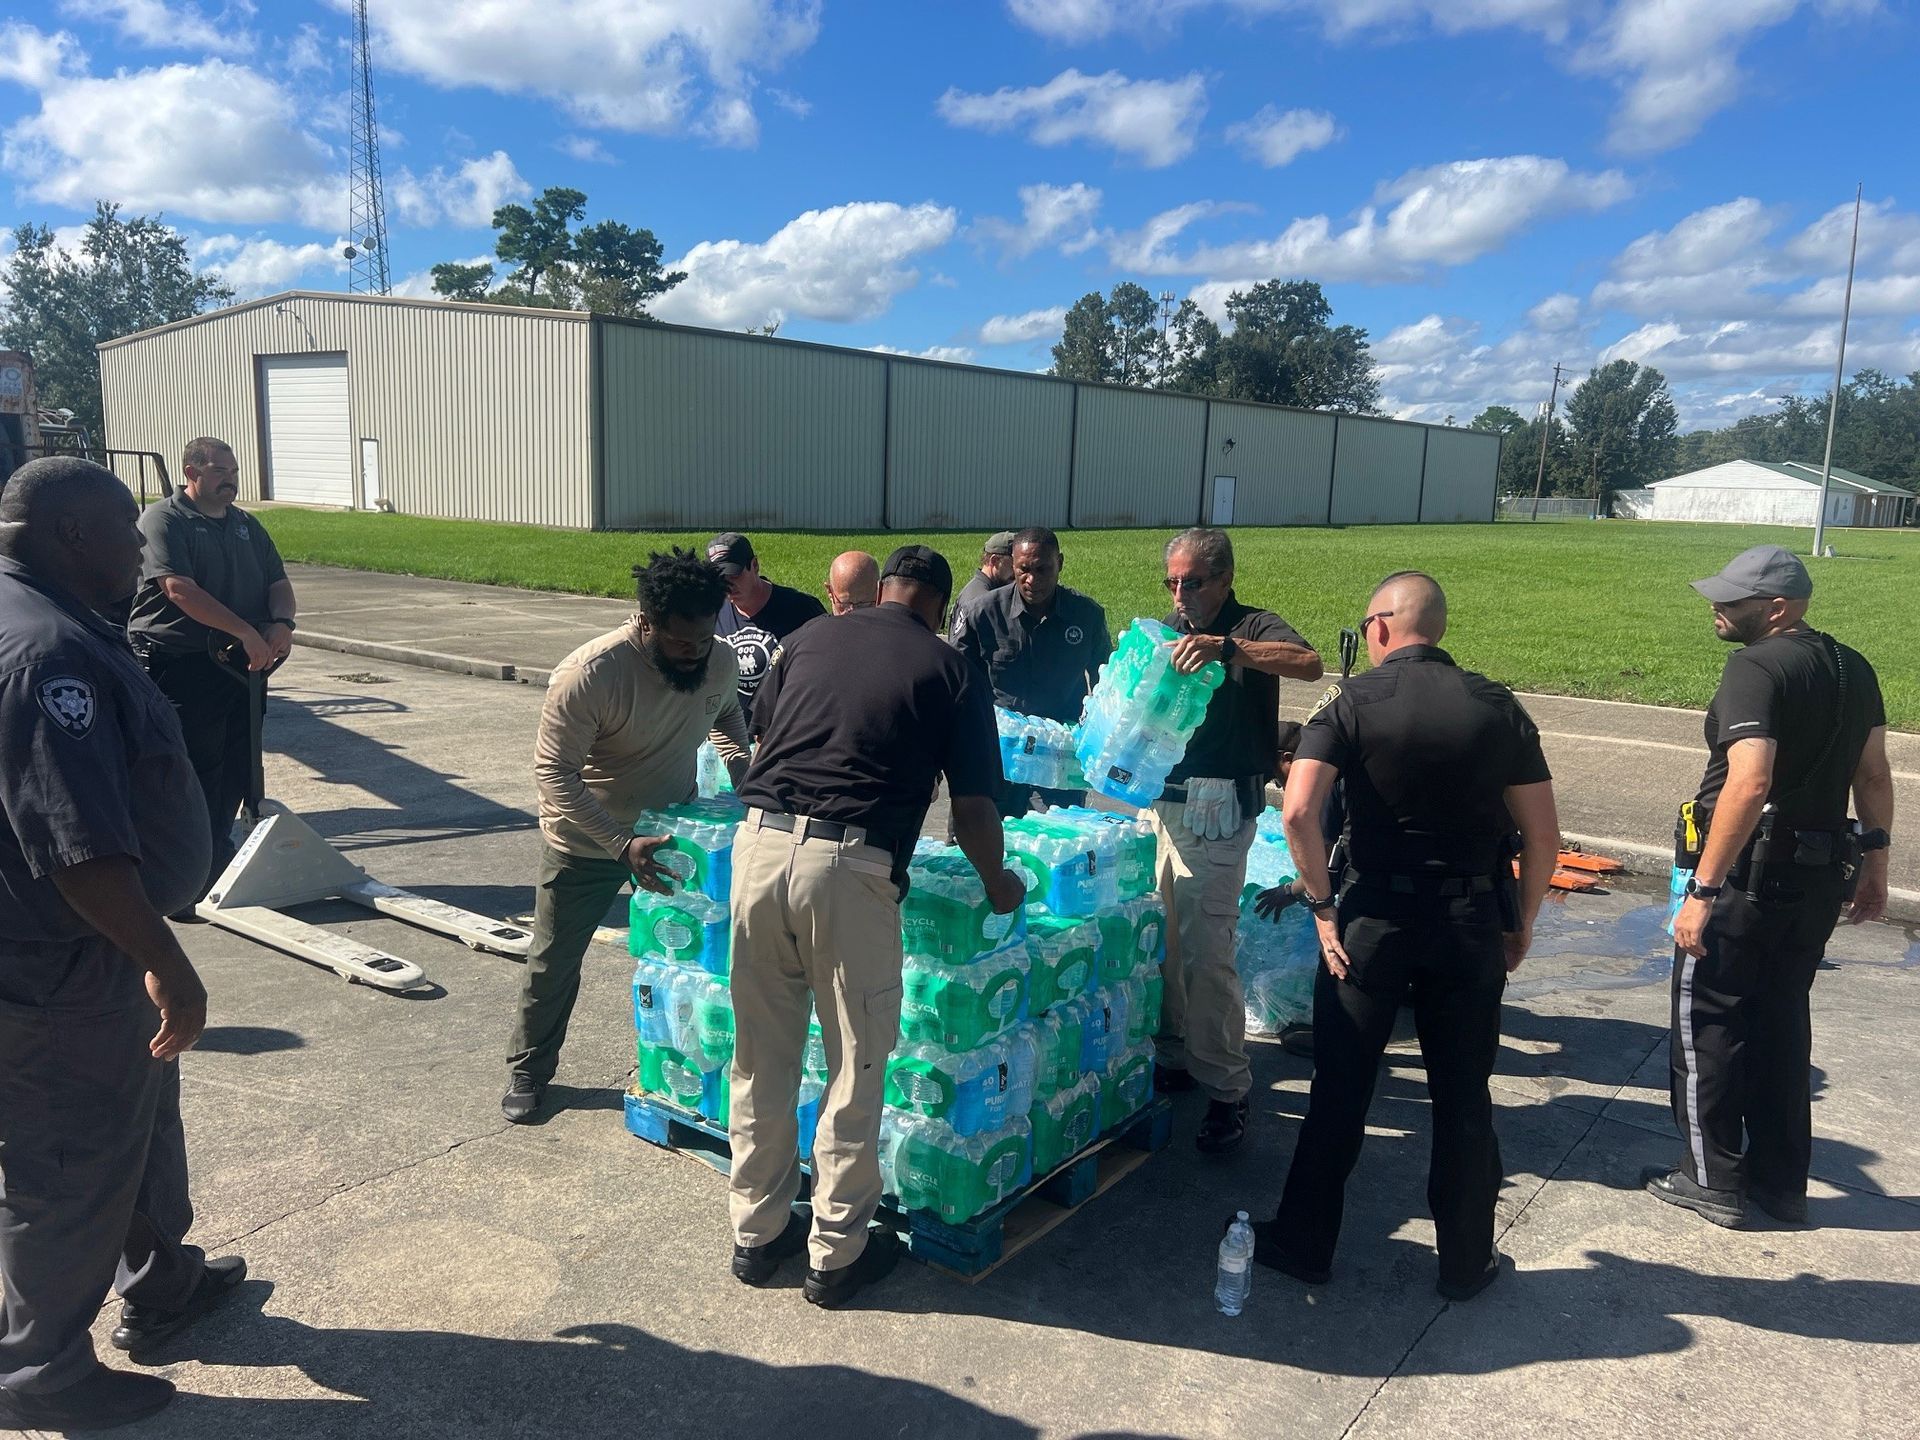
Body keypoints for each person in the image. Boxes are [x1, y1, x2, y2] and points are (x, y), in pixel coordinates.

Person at [0, 458, 245, 1432]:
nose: (142, 557)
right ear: (68, 534)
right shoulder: (46, 652)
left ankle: (162, 1278)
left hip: (85, 951)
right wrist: (169, 964)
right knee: (67, 1158)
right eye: (122, 532)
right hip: (66, 960)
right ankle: (39, 1373)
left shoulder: (43, 619)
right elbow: (77, 848)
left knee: (137, 1122)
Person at [726, 545, 1023, 1308]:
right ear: (938, 602)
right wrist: (997, 884)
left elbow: (766, 739)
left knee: (762, 1052)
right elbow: (973, 808)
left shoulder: (807, 638)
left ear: (884, 589)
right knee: (855, 1063)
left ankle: (756, 1236)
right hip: (849, 866)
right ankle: (835, 1254)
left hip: (756, 849)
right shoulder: (950, 668)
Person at [1251, 571, 1558, 1301]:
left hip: (1371, 923)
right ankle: (1463, 1262)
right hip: (1467, 920)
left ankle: (1303, 1245)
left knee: (1341, 1090)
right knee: (1463, 1097)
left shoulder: (1351, 703)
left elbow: (1297, 812)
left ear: (1381, 628)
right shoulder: (1497, 707)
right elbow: (1543, 834)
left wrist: (1321, 906)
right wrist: (1522, 921)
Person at [1648, 545, 1891, 1229]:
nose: (1717, 609)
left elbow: (1750, 782)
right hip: (1816, 877)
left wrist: (1702, 892)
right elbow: (1872, 773)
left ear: (1777, 608)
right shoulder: (1851, 667)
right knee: (1782, 1021)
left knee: (1709, 1024)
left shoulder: (1755, 667)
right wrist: (1875, 861)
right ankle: (1783, 1182)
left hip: (1744, 880)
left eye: (1732, 600)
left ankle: (1710, 1178)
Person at [505, 549, 751, 1122]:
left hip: (673, 838)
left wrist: (745, 772)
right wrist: (619, 843)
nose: (692, 654)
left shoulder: (715, 660)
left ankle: (697, 1072)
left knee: (701, 962)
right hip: (588, 841)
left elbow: (727, 717)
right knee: (554, 960)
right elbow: (553, 774)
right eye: (679, 642)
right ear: (647, 621)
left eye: (703, 638)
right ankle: (529, 1068)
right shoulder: (591, 674)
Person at [1150, 527, 1322, 1154]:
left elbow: (1309, 664)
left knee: (1206, 952)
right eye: (1171, 582)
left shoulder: (1253, 624)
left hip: (1218, 811)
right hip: (1161, 806)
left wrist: (1230, 649)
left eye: (1191, 582)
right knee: (1160, 943)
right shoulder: (1166, 627)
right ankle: (1174, 1054)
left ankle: (1227, 1086)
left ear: (1223, 579)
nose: (1180, 594)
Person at [127, 437, 297, 906]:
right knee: (192, 767)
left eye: (234, 470)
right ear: (192, 472)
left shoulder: (245, 525)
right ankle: (181, 876)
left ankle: (218, 857)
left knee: (239, 763)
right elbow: (178, 588)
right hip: (183, 662)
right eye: (220, 470)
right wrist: (244, 630)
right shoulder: (165, 520)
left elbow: (278, 582)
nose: (231, 479)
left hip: (241, 664)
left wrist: (281, 623)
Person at [951, 526, 1111, 816]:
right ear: (1012, 565)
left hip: (1059, 758)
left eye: (1043, 569)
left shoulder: (1086, 616)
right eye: (1024, 569)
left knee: (1057, 844)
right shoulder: (982, 615)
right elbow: (957, 685)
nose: (1032, 579)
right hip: (1000, 756)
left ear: (1059, 563)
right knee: (982, 845)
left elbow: (1107, 682)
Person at [706, 532, 826, 732]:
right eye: (719, 578)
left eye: (734, 574)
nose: (728, 585)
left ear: (754, 565)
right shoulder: (711, 614)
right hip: (734, 737)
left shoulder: (801, 610)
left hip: (786, 736)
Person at [949, 530, 1016, 633]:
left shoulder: (978, 590)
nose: (1017, 571)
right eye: (1014, 564)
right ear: (995, 561)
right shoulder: (982, 600)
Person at [825, 550, 879, 615]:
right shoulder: (818, 625)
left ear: (879, 591)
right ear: (830, 592)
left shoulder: (891, 623)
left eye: (862, 604)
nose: (854, 613)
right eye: (846, 604)